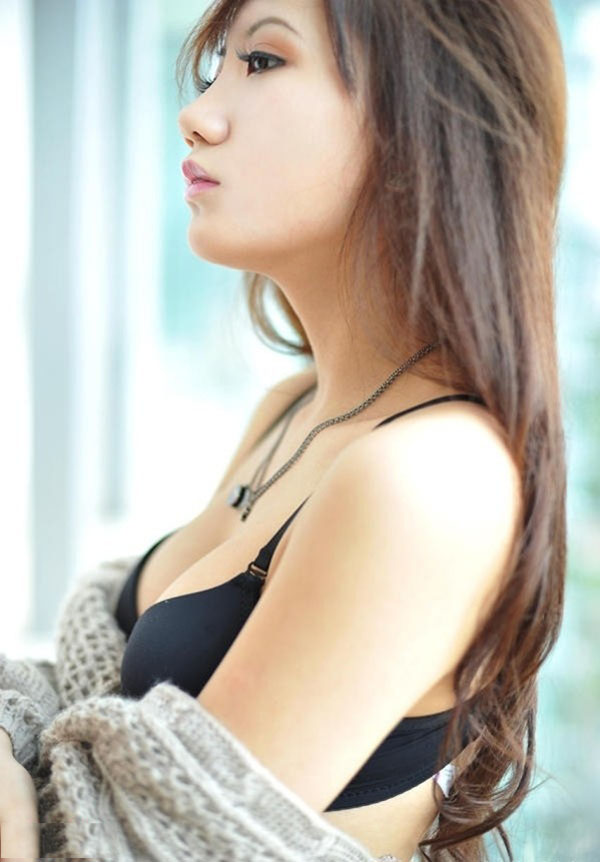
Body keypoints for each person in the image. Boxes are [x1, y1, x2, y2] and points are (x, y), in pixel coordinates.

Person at [0, 1, 567, 860]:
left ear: (424, 114)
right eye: (216, 65)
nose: (198, 115)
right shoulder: (298, 409)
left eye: (262, 62)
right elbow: (101, 694)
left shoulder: (428, 477)